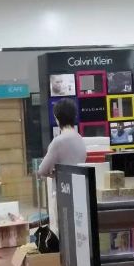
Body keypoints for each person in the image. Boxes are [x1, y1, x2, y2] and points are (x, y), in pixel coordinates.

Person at [38, 99, 87, 235]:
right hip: (79, 193)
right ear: (74, 116)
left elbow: (42, 170)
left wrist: (55, 173)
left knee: (64, 235)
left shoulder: (58, 141)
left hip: (63, 193)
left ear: (57, 118)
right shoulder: (80, 138)